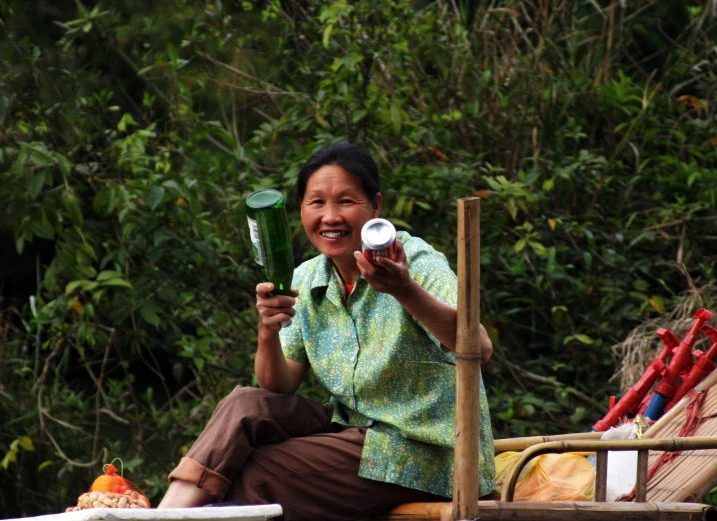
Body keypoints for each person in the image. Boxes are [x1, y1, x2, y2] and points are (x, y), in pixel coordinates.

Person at [158, 143, 496, 521]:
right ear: (301, 210)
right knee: (244, 405)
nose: (330, 217)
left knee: (258, 471)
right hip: (350, 434)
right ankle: (159, 516)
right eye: (316, 203)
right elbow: (278, 386)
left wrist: (404, 290)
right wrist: (267, 330)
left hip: (422, 451)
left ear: (376, 207)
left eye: (346, 201)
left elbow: (478, 346)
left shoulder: (414, 261)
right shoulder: (306, 277)